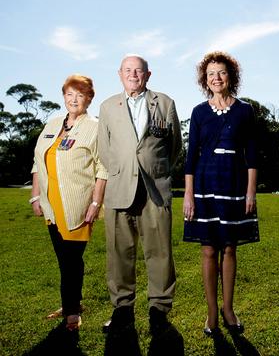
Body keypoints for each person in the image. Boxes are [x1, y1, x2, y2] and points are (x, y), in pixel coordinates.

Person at [98, 54, 182, 337]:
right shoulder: (108, 107)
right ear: (119, 74)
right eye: (128, 70)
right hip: (120, 189)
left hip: (155, 190)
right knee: (119, 254)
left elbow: (174, 147)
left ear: (148, 75)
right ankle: (122, 308)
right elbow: (105, 150)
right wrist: (125, 171)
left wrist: (154, 170)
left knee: (159, 254)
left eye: (139, 71)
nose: (134, 75)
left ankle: (159, 310)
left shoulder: (165, 103)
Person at [183, 51, 259, 336]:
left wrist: (250, 192)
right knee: (208, 249)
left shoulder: (245, 111)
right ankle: (212, 313)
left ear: (231, 77)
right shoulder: (199, 112)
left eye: (222, 73)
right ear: (205, 79)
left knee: (229, 247)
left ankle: (228, 309)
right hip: (204, 185)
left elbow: (252, 155)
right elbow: (190, 158)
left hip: (235, 184)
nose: (216, 78)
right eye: (211, 74)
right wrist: (189, 195)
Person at [30, 74, 108, 331]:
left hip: (77, 204)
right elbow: (37, 162)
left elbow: (103, 168)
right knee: (64, 259)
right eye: (70, 94)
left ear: (89, 99)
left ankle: (72, 313)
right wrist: (36, 195)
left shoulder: (95, 127)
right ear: (64, 96)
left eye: (80, 95)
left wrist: (95, 203)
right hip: (52, 203)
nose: (74, 100)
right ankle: (71, 303)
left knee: (72, 259)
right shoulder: (52, 123)